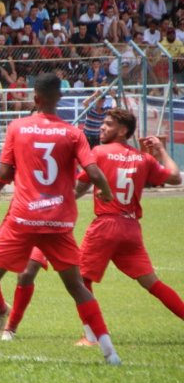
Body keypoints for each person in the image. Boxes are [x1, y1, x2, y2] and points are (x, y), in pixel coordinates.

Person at [0, 73, 121, 366]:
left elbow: (5, 173)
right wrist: (106, 192)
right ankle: (110, 352)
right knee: (76, 287)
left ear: (35, 98)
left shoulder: (18, 127)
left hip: (24, 217)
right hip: (58, 222)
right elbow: (94, 174)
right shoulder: (73, 133)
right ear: (60, 98)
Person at [74, 110, 184, 337]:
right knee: (152, 283)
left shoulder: (100, 152)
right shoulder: (143, 158)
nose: (102, 127)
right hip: (131, 228)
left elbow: (81, 186)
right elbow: (176, 177)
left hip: (106, 225)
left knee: (80, 279)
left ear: (123, 131)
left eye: (108, 124)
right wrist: (161, 151)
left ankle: (92, 336)